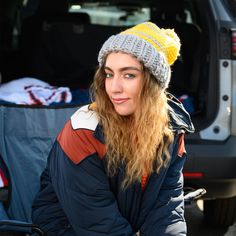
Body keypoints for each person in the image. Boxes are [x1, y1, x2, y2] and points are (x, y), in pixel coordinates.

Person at [32, 21, 194, 235]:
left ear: (153, 83)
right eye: (109, 74)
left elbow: (166, 208)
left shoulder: (171, 130)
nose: (114, 88)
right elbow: (98, 224)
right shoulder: (83, 131)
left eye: (128, 75)